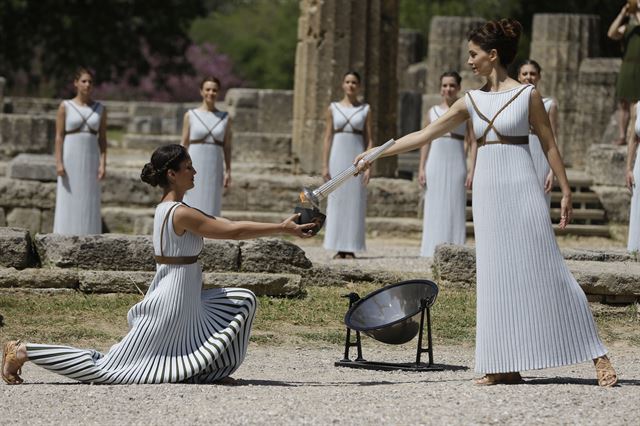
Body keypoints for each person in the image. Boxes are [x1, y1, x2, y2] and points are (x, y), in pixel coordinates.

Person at [355, 19, 617, 387]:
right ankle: (503, 362)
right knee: (495, 275)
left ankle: (596, 353)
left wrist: (566, 190)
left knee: (549, 268)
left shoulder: (527, 95)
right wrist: (375, 152)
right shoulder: (470, 101)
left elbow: (549, 144)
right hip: (488, 191)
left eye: (474, 54)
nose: (469, 61)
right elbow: (424, 134)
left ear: (493, 56)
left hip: (522, 185)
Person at [2, 144, 315, 385]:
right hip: (172, 301)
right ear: (172, 174)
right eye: (188, 168)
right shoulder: (178, 212)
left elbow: (220, 221)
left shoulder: (175, 209)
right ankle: (24, 351)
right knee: (109, 368)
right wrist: (282, 227)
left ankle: (203, 372)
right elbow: (230, 230)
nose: (194, 173)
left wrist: (281, 226)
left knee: (243, 301)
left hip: (183, 294)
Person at [418, 71, 476, 257]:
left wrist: (471, 169)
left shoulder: (465, 112)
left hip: (457, 162)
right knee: (434, 204)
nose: (448, 89)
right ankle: (430, 248)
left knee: (454, 205)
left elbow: (473, 141)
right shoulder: (432, 112)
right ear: (440, 88)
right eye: (444, 85)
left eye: (452, 85)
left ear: (458, 88)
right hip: (435, 162)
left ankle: (454, 249)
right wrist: (421, 167)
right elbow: (424, 140)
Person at [322, 71, 373, 259]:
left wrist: (369, 164)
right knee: (337, 199)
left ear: (358, 86)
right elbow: (327, 137)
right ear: (343, 85)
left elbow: (369, 139)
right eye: (348, 82)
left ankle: (351, 245)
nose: (351, 85)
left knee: (355, 201)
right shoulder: (333, 108)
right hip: (337, 155)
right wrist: (325, 165)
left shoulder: (366, 109)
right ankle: (336, 244)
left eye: (354, 82)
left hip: (357, 157)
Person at [53, 67, 107, 235]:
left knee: (89, 197)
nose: (87, 85)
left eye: (90, 82)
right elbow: (59, 136)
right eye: (84, 81)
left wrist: (103, 164)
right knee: (68, 197)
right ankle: (63, 235)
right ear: (75, 83)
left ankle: (89, 236)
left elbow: (103, 139)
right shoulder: (65, 106)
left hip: (91, 158)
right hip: (70, 158)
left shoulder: (100, 108)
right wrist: (59, 162)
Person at [181, 76, 231, 217]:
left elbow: (227, 146)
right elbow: (184, 143)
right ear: (201, 91)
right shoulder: (190, 115)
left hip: (215, 165)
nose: (211, 93)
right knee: (191, 197)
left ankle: (211, 234)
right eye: (207, 89)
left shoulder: (225, 117)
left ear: (218, 92)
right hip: (194, 162)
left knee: (212, 200)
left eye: (214, 90)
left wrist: (228, 170)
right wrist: (181, 167)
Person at [518, 59, 557, 207]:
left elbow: (553, 139)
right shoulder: (510, 103)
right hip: (519, 155)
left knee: (538, 204)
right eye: (525, 73)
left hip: (541, 158)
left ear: (539, 77)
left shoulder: (549, 105)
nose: (529, 77)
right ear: (519, 77)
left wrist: (552, 171)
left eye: (533, 73)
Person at [608, 0, 640, 145]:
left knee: (635, 103)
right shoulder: (627, 28)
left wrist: (638, 10)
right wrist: (622, 14)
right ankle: (622, 135)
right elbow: (611, 33)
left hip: (639, 66)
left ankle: (634, 134)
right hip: (627, 65)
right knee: (623, 103)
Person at [627, 101, 640, 251]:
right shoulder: (637, 107)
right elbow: (633, 139)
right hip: (639, 164)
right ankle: (636, 249)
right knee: (637, 201)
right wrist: (628, 168)